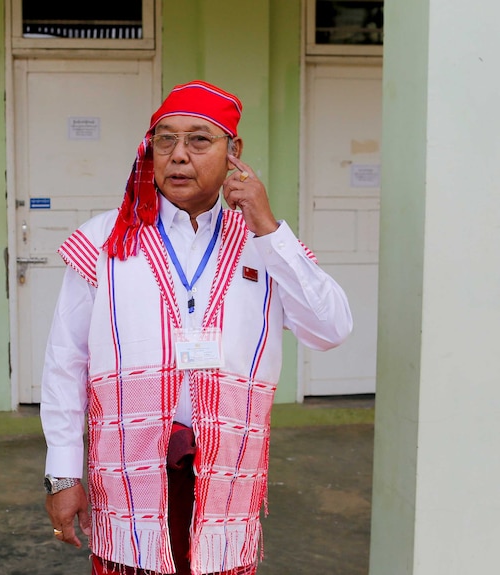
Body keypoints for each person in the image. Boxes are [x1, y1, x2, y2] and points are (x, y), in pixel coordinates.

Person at [40, 81, 352, 575]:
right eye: (166, 140)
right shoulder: (104, 240)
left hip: (226, 477)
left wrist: (269, 228)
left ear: (235, 152)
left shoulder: (263, 244)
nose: (179, 155)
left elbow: (331, 328)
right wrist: (61, 473)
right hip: (128, 475)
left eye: (199, 140)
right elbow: (65, 361)